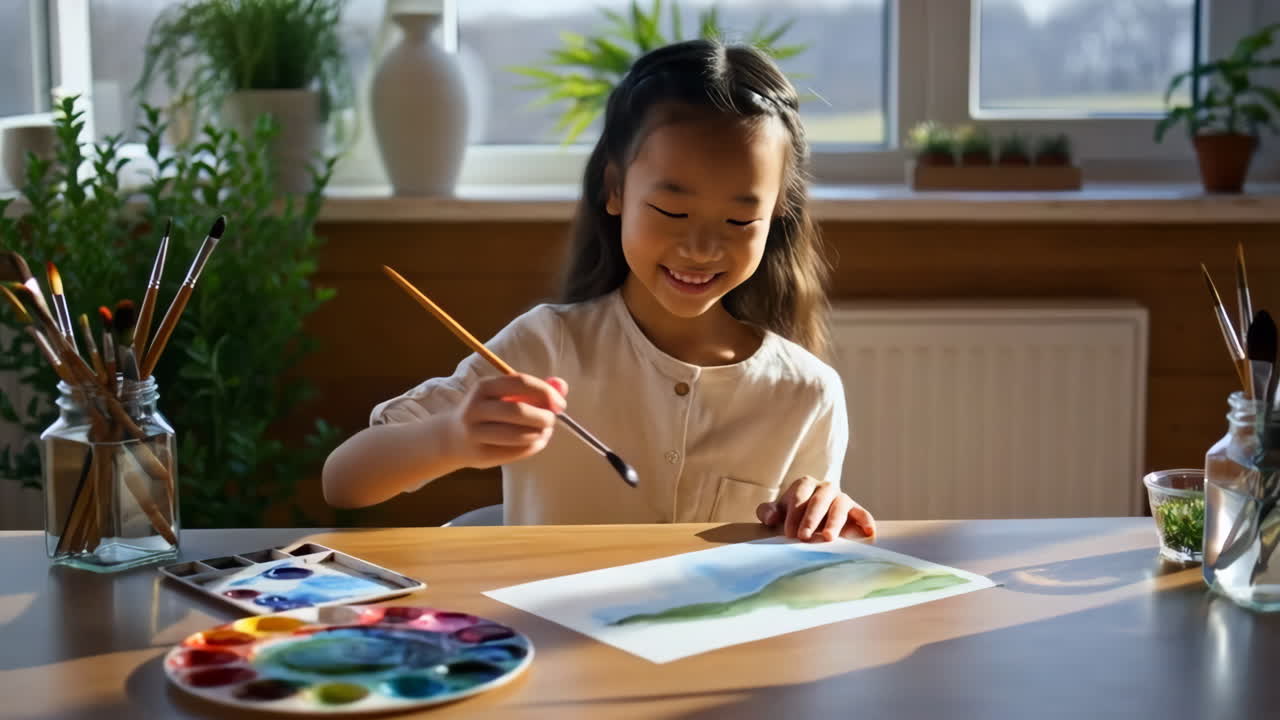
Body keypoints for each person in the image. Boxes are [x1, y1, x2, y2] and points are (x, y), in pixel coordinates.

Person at [323, 39, 875, 542]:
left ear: (778, 212)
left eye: (738, 221)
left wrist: (821, 514)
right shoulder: (546, 346)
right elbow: (343, 482)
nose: (702, 247)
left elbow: (800, 559)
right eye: (672, 210)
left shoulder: (808, 393)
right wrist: (453, 438)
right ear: (615, 189)